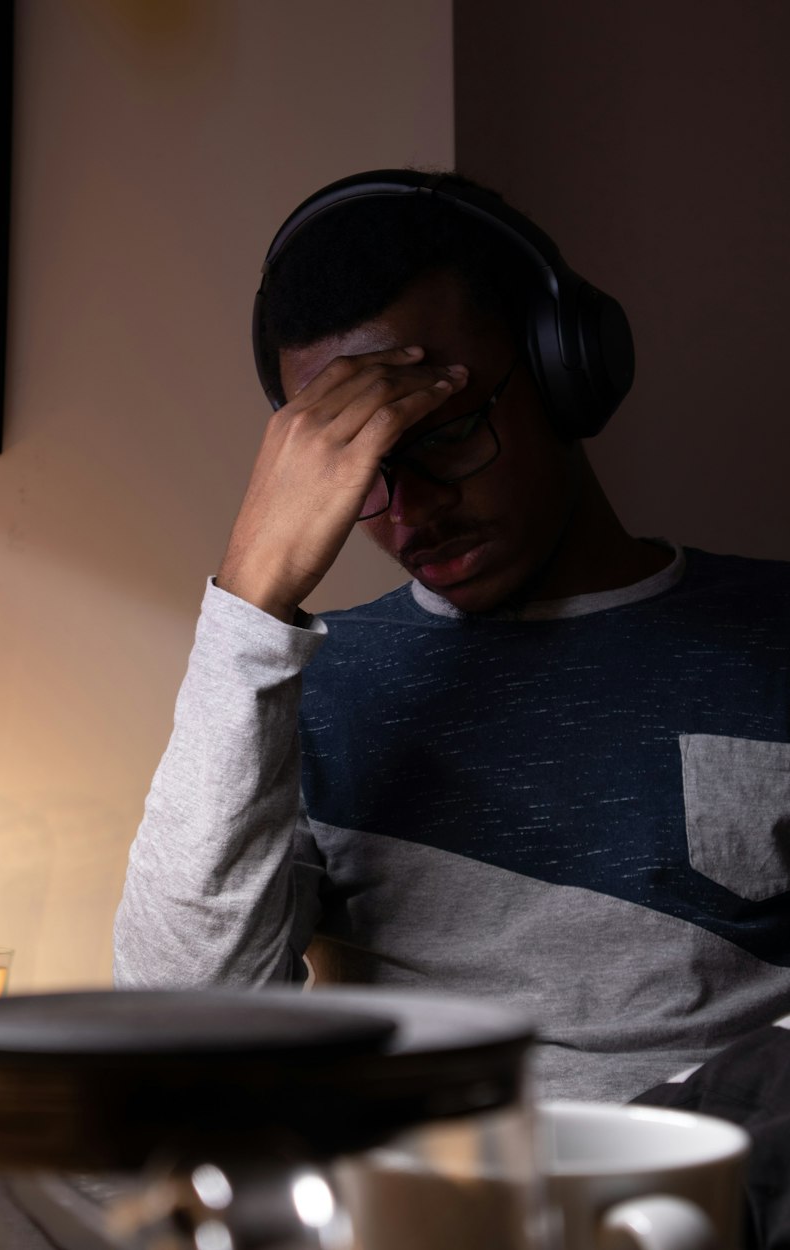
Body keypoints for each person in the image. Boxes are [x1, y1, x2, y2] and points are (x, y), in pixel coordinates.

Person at [113, 169, 790, 1110]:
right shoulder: (299, 684)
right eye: (359, 472)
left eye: (444, 432)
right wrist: (252, 600)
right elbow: (178, 1031)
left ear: (565, 367)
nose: (411, 514)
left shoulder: (771, 640)